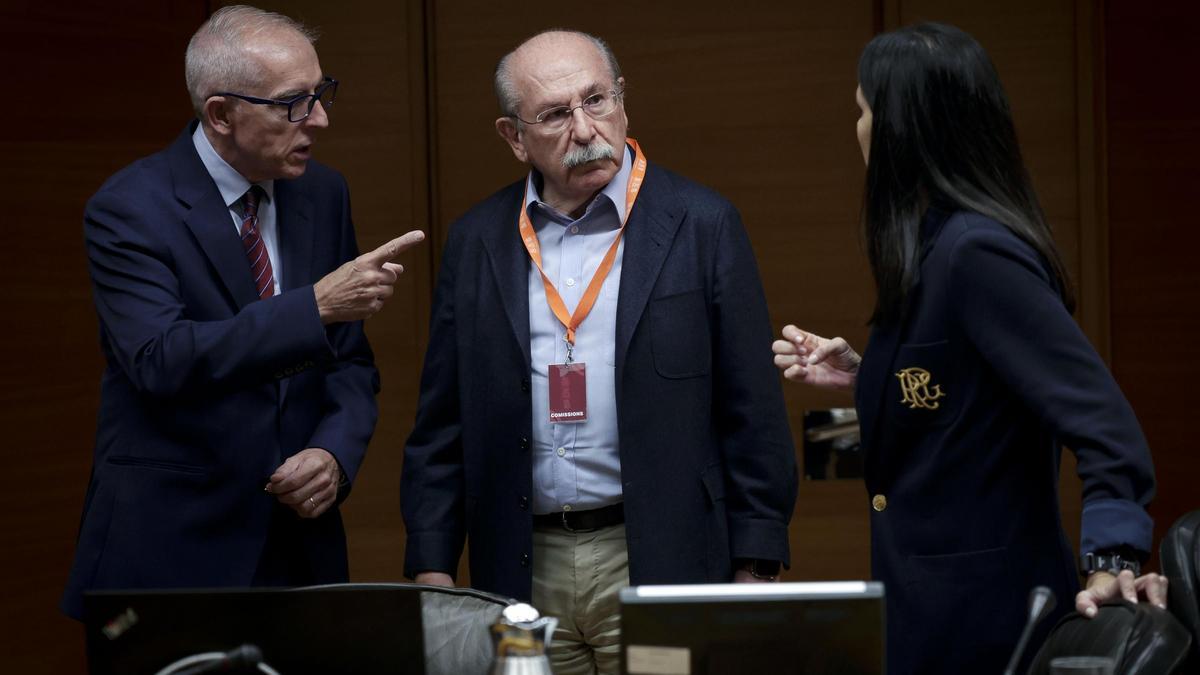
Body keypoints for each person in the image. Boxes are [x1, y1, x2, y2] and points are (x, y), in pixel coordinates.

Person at [772, 22, 1164, 674]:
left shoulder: (976, 253)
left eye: (865, 111)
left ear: (903, 129)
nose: (859, 128)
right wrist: (868, 381)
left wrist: (1111, 561)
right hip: (925, 612)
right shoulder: (926, 250)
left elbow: (1107, 427)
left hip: (988, 622)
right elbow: (957, 425)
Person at [401, 29, 797, 674]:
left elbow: (751, 409)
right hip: (520, 571)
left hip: (660, 558)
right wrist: (432, 566)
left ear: (623, 103)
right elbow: (441, 421)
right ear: (513, 136)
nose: (585, 129)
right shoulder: (477, 240)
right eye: (555, 114)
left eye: (597, 100)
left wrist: (754, 568)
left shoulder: (702, 223)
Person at [61, 5, 424, 619]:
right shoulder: (129, 208)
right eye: (294, 103)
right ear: (222, 115)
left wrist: (335, 453)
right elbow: (159, 359)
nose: (321, 119)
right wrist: (314, 306)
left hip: (300, 551)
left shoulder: (323, 193)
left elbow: (350, 362)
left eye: (320, 93)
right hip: (174, 552)